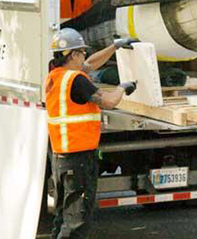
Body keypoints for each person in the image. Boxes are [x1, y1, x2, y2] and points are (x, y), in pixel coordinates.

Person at [45, 29, 137, 239]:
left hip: (61, 157)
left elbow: (90, 65)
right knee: (77, 222)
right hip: (78, 160)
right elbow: (109, 102)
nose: (85, 56)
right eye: (82, 52)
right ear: (73, 55)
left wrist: (115, 46)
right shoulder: (77, 81)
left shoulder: (55, 76)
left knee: (62, 217)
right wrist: (122, 87)